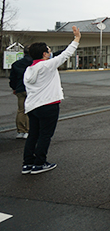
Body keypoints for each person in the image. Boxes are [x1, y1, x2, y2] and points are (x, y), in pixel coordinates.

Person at [22, 26, 81, 175]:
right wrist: (76, 39)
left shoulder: (29, 70)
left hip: (32, 106)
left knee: (33, 134)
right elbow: (66, 55)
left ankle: (27, 163)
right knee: (45, 135)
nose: (50, 52)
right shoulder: (47, 65)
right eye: (48, 50)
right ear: (44, 54)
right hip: (48, 105)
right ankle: (39, 164)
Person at [9, 45, 32, 139]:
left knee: (21, 110)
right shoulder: (33, 63)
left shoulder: (16, 64)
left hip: (19, 89)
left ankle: (20, 131)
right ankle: (28, 130)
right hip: (31, 89)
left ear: (24, 52)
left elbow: (12, 79)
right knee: (31, 110)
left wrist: (14, 88)